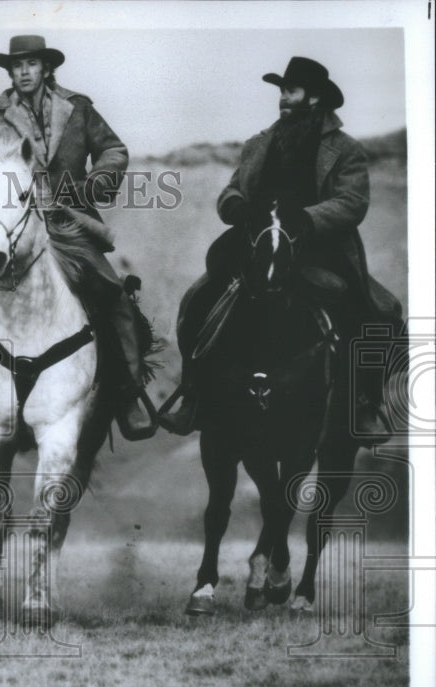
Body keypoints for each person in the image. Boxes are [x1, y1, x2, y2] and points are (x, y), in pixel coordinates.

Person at [0, 35, 156, 440]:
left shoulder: (78, 108)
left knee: (113, 295)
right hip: (14, 226)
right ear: (10, 72)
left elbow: (114, 149)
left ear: (45, 68)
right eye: (16, 66)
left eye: (30, 65)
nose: (23, 72)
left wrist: (95, 182)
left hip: (71, 222)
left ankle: (128, 394)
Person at [159, 57, 403, 441]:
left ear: (314, 97)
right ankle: (193, 393)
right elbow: (232, 189)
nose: (283, 99)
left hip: (318, 247)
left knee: (378, 310)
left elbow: (352, 201)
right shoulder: (259, 143)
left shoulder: (345, 149)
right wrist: (235, 205)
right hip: (258, 243)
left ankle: (365, 402)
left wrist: (307, 219)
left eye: (292, 91)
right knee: (198, 296)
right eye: (281, 91)